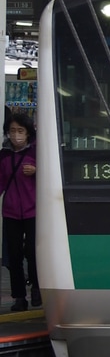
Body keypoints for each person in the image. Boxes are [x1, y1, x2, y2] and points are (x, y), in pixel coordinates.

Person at [0, 113, 39, 311]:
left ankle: (37, 290)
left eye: (20, 131)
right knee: (13, 257)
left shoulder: (37, 153)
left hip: (34, 212)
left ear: (28, 132)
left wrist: (37, 170)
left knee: (34, 253)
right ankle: (19, 298)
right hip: (11, 212)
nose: (16, 135)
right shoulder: (4, 155)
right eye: (13, 131)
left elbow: (51, 177)